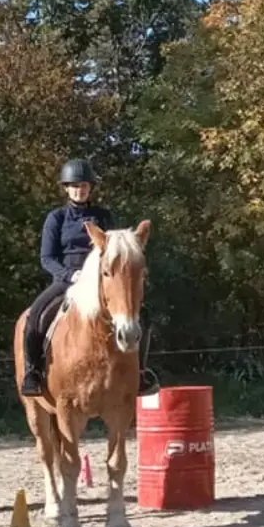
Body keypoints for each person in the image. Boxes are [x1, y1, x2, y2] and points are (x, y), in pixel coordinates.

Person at [20, 159, 160, 397]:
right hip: (66, 278)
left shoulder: (103, 217)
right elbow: (47, 258)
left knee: (142, 315)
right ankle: (33, 372)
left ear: (90, 188)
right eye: (74, 185)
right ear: (66, 188)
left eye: (84, 185)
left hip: (102, 281)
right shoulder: (56, 219)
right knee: (35, 315)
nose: (80, 189)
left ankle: (140, 373)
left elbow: (117, 252)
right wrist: (69, 274)